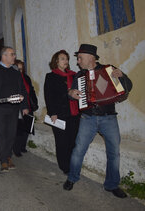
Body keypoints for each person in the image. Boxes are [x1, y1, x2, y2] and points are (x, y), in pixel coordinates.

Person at [63, 44, 132, 198]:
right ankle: (72, 178)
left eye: (80, 57)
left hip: (109, 118)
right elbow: (71, 93)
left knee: (114, 152)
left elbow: (128, 86)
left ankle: (112, 184)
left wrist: (122, 76)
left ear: (90, 57)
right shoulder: (80, 76)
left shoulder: (109, 70)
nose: (78, 61)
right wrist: (71, 93)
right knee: (78, 150)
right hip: (88, 118)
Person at [0, 46, 29, 173]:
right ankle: (4, 160)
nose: (14, 56)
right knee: (1, 134)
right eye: (12, 54)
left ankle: (8, 156)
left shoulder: (16, 71)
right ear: (4, 56)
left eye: (14, 54)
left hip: (13, 108)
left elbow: (22, 90)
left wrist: (24, 106)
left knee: (11, 134)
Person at [44, 50, 80, 174]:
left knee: (73, 141)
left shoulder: (74, 76)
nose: (66, 61)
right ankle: (65, 167)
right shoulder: (51, 76)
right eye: (63, 58)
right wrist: (52, 112)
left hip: (74, 114)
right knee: (62, 142)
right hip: (59, 115)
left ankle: (72, 164)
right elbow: (49, 96)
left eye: (67, 58)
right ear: (56, 61)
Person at [13, 59, 38, 156]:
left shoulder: (26, 78)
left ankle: (23, 146)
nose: (20, 71)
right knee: (19, 129)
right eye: (18, 69)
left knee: (27, 128)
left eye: (21, 69)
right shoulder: (13, 80)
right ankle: (16, 149)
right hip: (18, 107)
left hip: (28, 105)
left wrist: (34, 102)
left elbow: (31, 90)